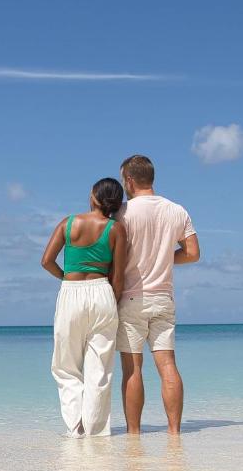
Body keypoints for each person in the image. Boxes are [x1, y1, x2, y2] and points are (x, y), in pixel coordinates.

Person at [115, 155, 200, 435]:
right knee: (167, 366)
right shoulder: (177, 210)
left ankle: (134, 434)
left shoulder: (122, 213)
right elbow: (192, 253)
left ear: (129, 180)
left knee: (133, 370)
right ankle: (174, 432)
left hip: (130, 298)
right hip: (164, 298)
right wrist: (164, 257)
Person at [41, 178, 128, 437]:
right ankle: (96, 431)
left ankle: (74, 427)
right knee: (99, 369)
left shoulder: (68, 223)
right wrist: (113, 303)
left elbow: (46, 261)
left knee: (66, 365)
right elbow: (119, 277)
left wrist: (67, 278)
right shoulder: (115, 229)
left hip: (71, 292)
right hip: (103, 292)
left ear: (93, 196)